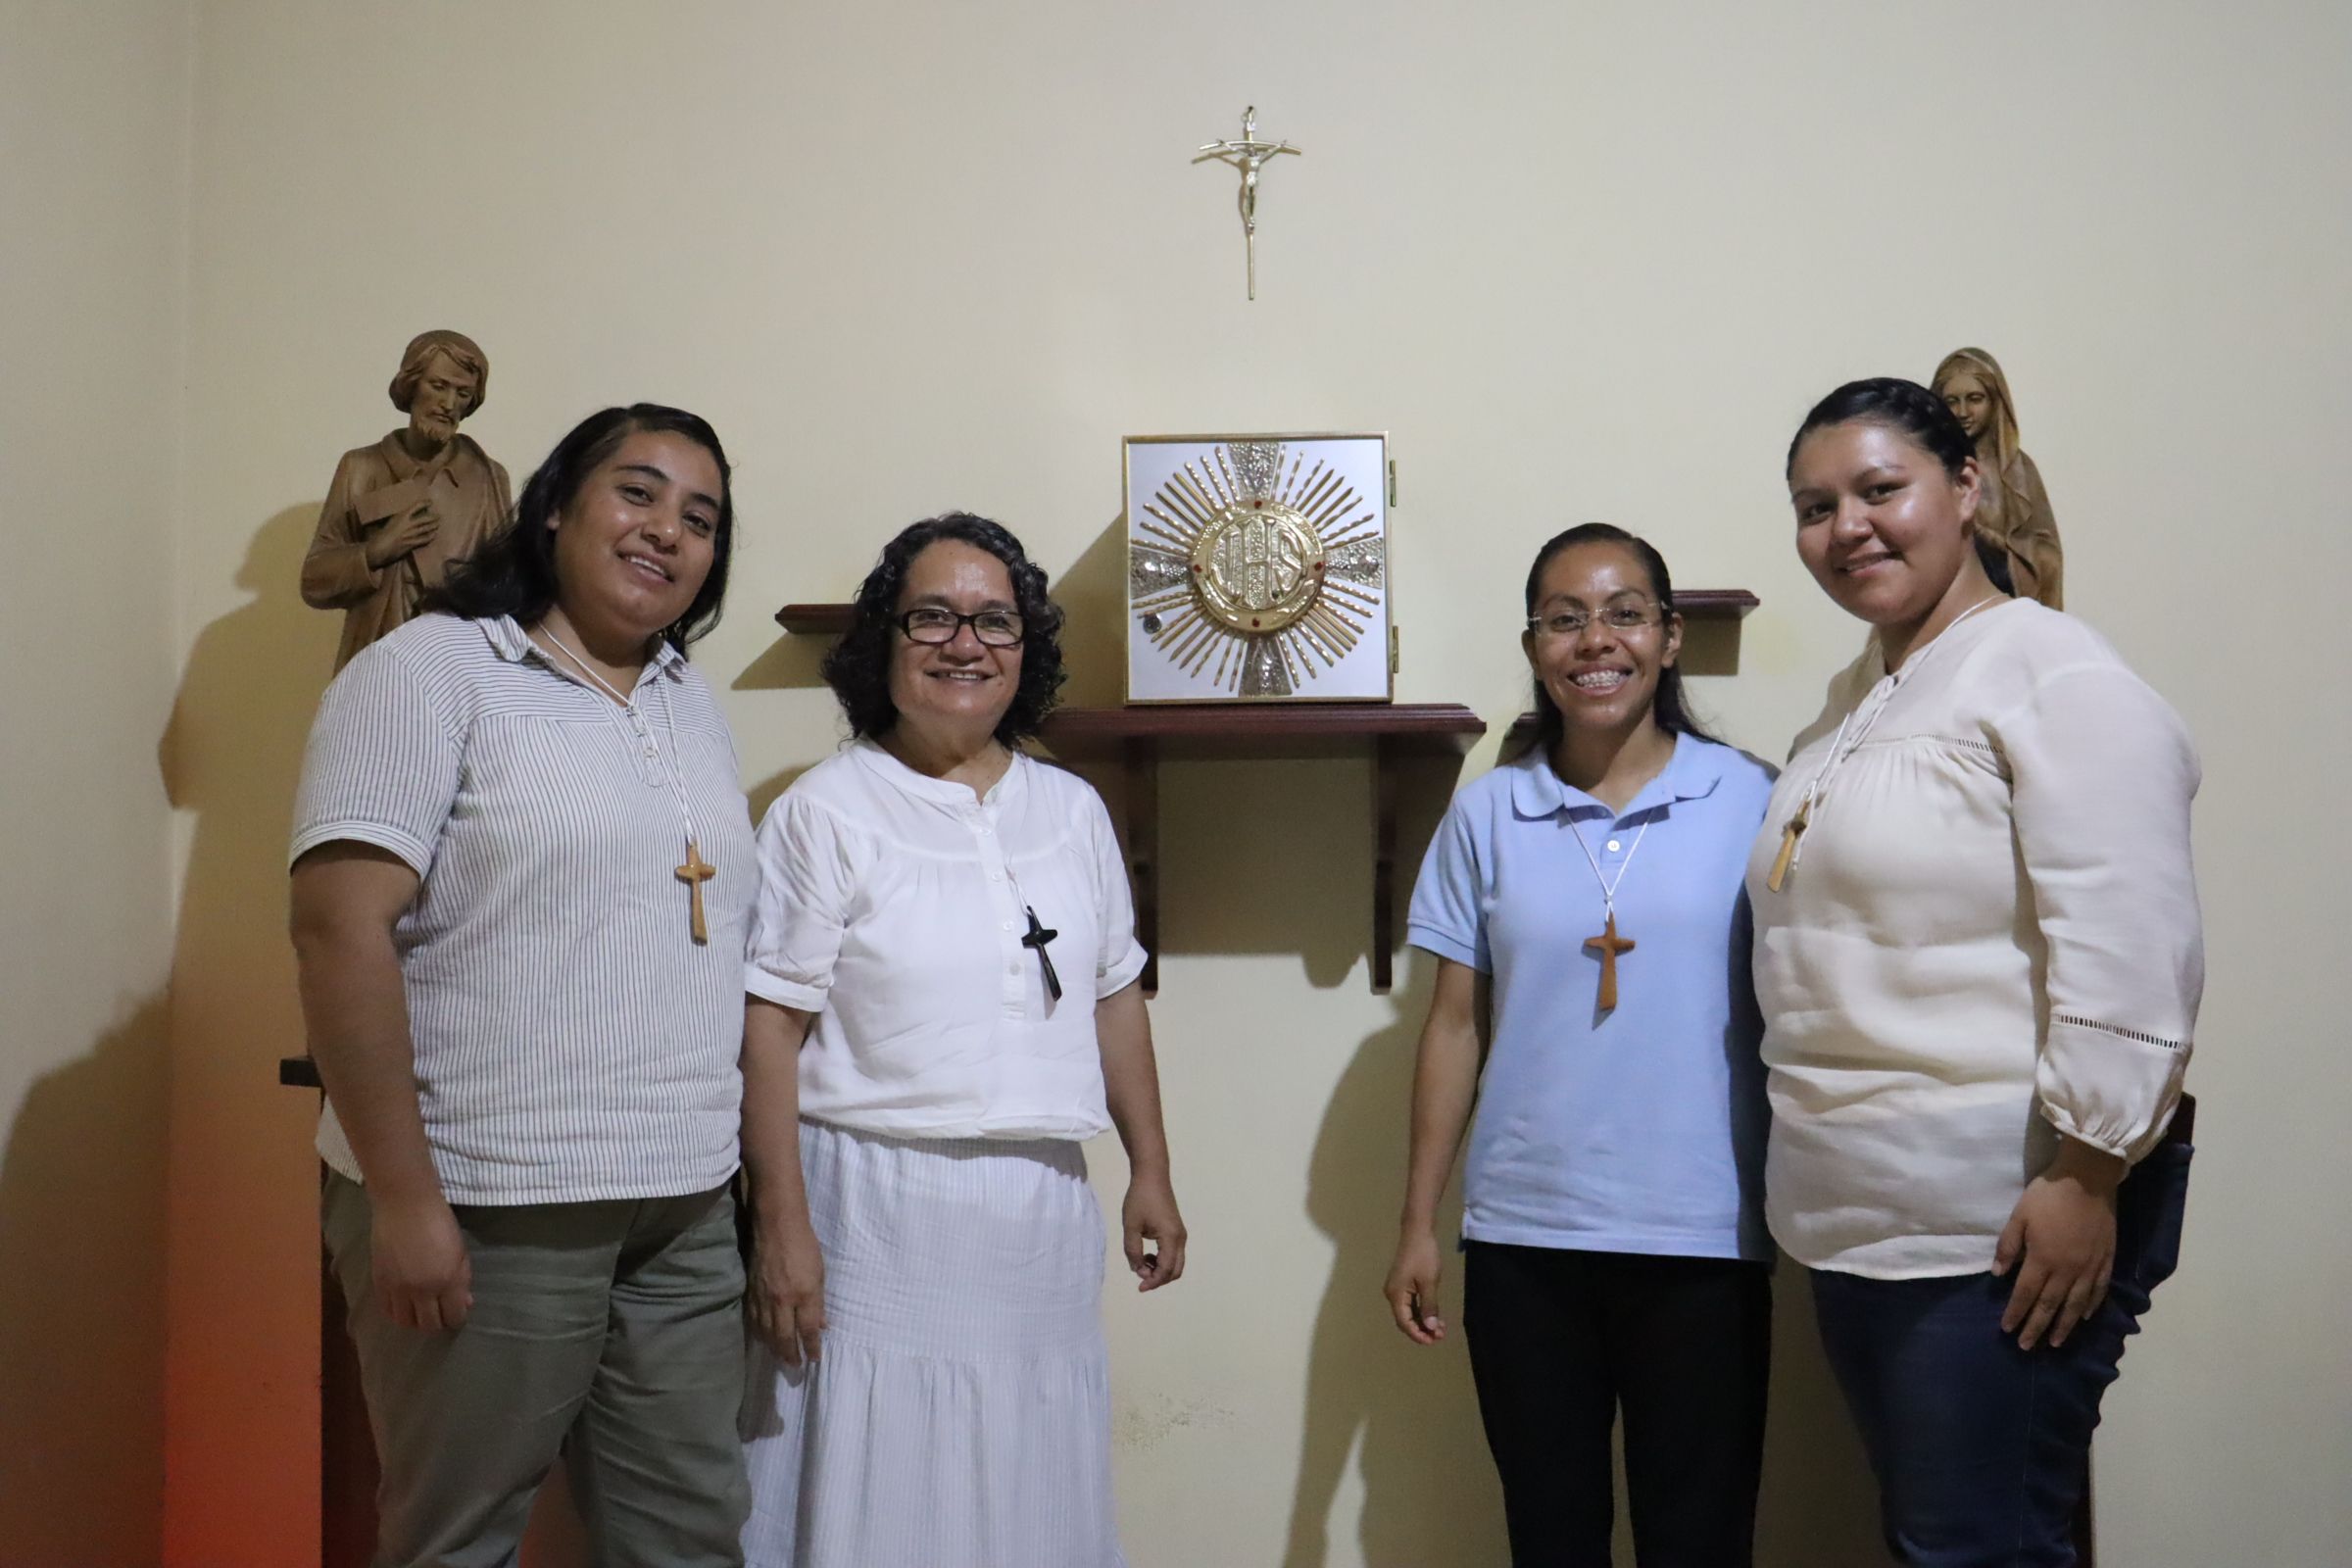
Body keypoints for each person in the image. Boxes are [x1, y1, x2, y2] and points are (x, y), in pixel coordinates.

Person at [288, 404, 756, 1566]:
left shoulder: (684, 696)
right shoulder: (434, 668)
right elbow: (337, 927)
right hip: (493, 1199)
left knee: (692, 1536)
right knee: (457, 1538)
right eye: (637, 494)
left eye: (699, 517)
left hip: (684, 1204)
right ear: (553, 507)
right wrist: (404, 1199)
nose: (667, 532)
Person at [1755, 378, 2201, 1567]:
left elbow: (2132, 933)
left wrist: (2089, 1172)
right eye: (1814, 505)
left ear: (1967, 488)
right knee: (1937, 1538)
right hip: (1857, 1219)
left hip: (1999, 1216)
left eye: (1879, 489)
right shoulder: (1853, 706)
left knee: (1978, 1547)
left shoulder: (2047, 670)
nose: (1845, 525)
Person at [737, 513, 1186, 1568]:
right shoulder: (826, 810)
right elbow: (770, 1028)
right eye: (931, 616)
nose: (964, 643)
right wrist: (780, 1225)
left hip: (1038, 1212)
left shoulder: (1071, 812)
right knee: (883, 1492)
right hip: (873, 1211)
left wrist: (1151, 1169)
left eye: (995, 621)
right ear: (882, 643)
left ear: (1025, 650)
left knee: (1025, 1489)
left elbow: (1114, 995)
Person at [1384, 523, 1777, 1567]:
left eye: (1623, 612)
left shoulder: (1750, 798)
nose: (1594, 641)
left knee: (1699, 1536)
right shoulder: (1490, 813)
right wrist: (1420, 1220)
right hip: (1526, 1238)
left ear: (1669, 635)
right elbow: (1454, 1024)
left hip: (1701, 1232)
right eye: (1564, 618)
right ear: (1533, 646)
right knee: (1551, 1536)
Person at [302, 328, 514, 669]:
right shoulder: (361, 467)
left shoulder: (488, 478)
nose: (448, 404)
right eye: (438, 386)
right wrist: (376, 552)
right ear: (411, 384)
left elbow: (509, 586)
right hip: (376, 660)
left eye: (462, 393)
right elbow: (314, 580)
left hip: (457, 666)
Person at [1931, 346, 2064, 608]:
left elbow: (2049, 556)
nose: (1963, 412)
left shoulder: (2020, 470)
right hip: (1943, 605)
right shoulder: (1930, 467)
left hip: (2005, 600)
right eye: (1952, 401)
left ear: (1995, 402)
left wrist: (1999, 543)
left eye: (1975, 398)